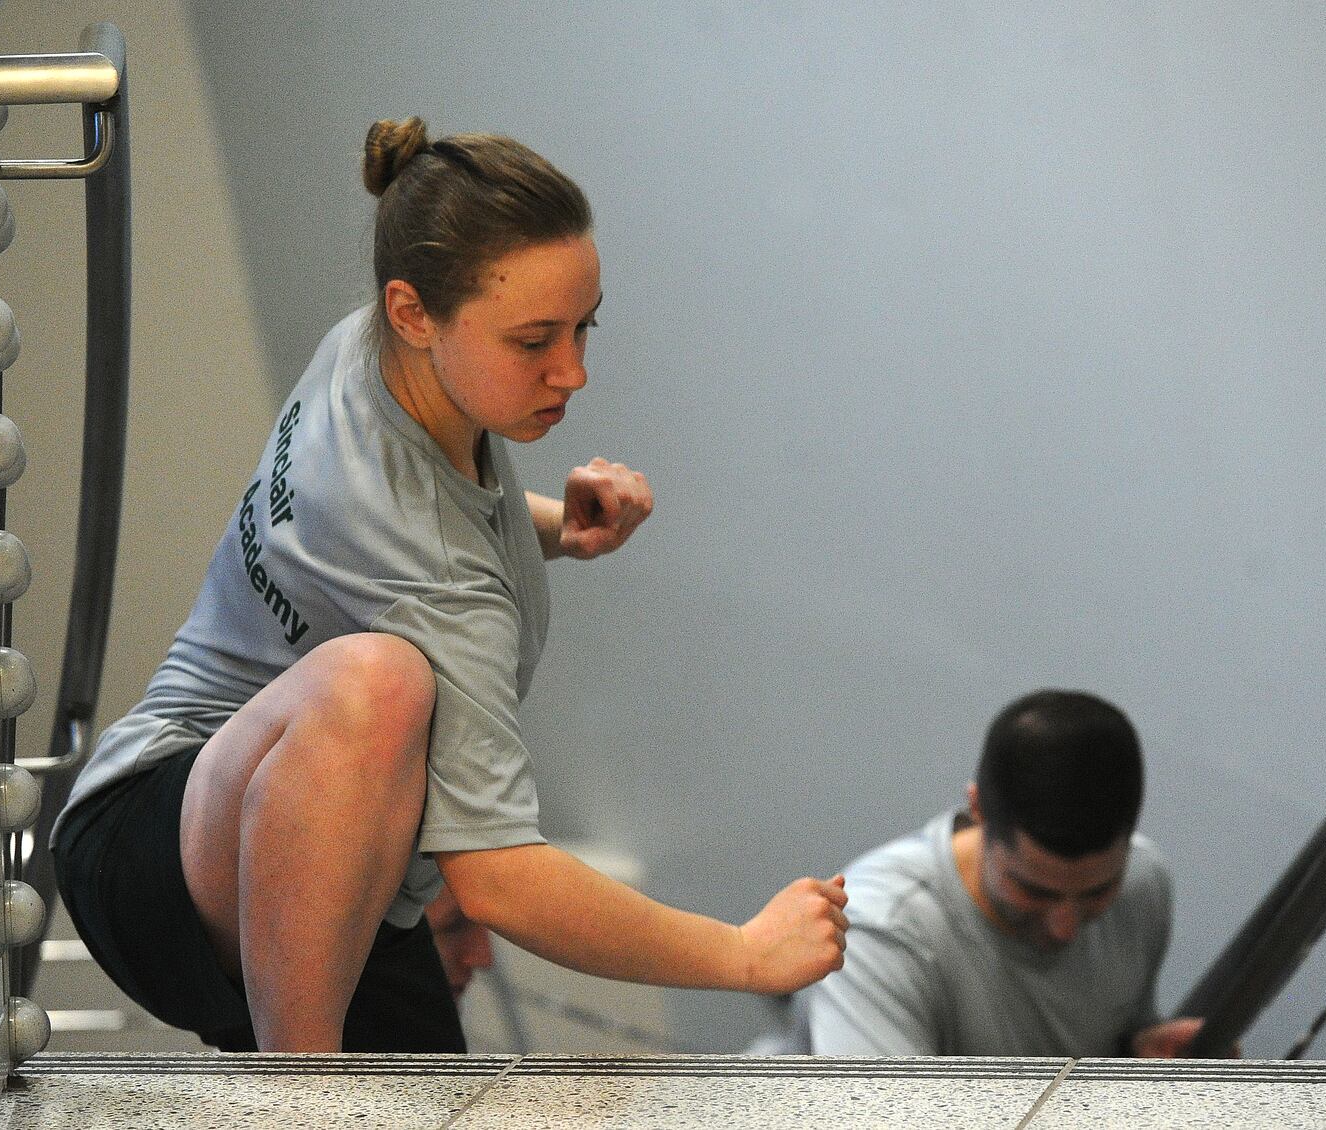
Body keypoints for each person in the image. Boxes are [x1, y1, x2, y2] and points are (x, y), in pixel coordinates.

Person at [51, 118, 848, 1054]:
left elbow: (403, 542)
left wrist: (554, 526)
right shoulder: (424, 564)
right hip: (150, 846)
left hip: (337, 875)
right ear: (413, 311)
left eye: (584, 326)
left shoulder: (371, 355)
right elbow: (499, 880)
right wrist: (744, 954)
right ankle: (298, 1100)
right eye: (533, 340)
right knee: (380, 684)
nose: (573, 371)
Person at [759, 689, 1203, 1057]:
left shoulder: (1143, 883)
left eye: (1096, 893)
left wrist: (1134, 1057)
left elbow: (1106, 1037)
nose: (1065, 927)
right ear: (978, 811)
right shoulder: (878, 927)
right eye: (1035, 891)